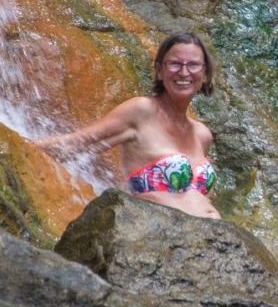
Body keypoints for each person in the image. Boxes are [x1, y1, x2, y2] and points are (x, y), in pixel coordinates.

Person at [36, 31, 221, 219]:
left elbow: (198, 197)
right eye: (174, 64)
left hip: (215, 239)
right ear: (159, 70)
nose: (183, 72)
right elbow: (75, 144)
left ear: (205, 74)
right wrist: (15, 144)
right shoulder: (141, 111)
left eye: (193, 65)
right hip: (163, 237)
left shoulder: (202, 134)